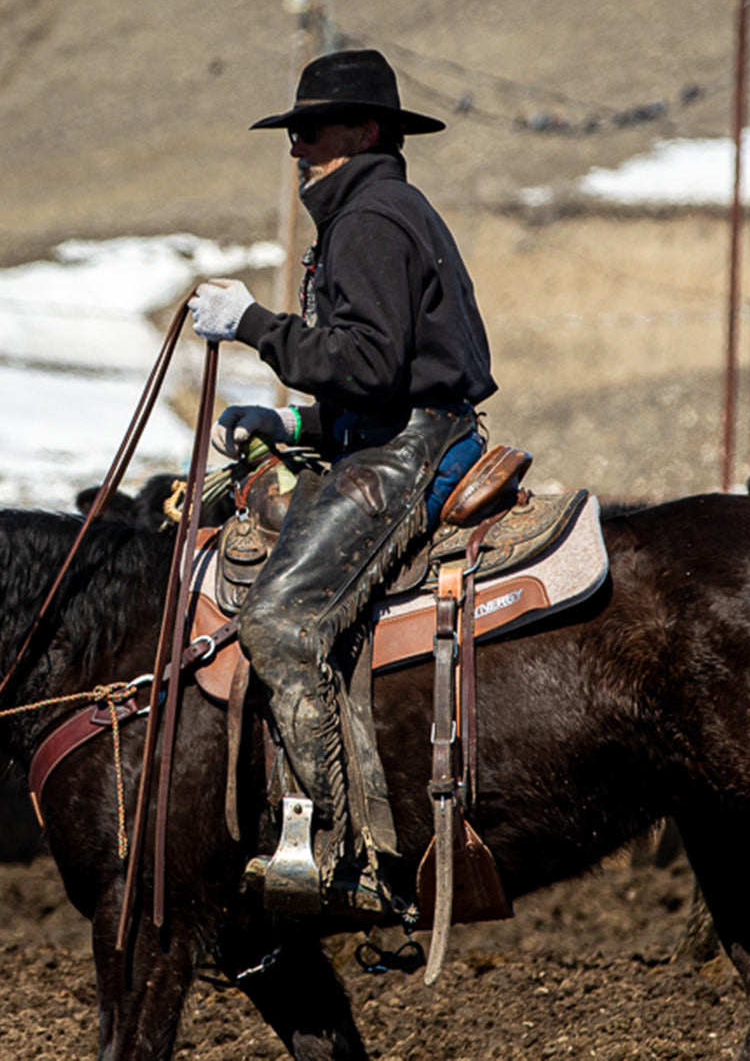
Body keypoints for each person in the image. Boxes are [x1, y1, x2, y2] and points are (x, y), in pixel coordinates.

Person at [188, 47, 496, 904]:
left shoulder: (367, 219)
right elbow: (385, 376)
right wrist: (290, 423)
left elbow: (365, 364)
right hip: (395, 431)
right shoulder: (374, 211)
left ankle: (340, 854)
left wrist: (253, 323)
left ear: (364, 132)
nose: (297, 148)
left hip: (407, 452)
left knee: (284, 623)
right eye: (294, 133)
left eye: (311, 131)